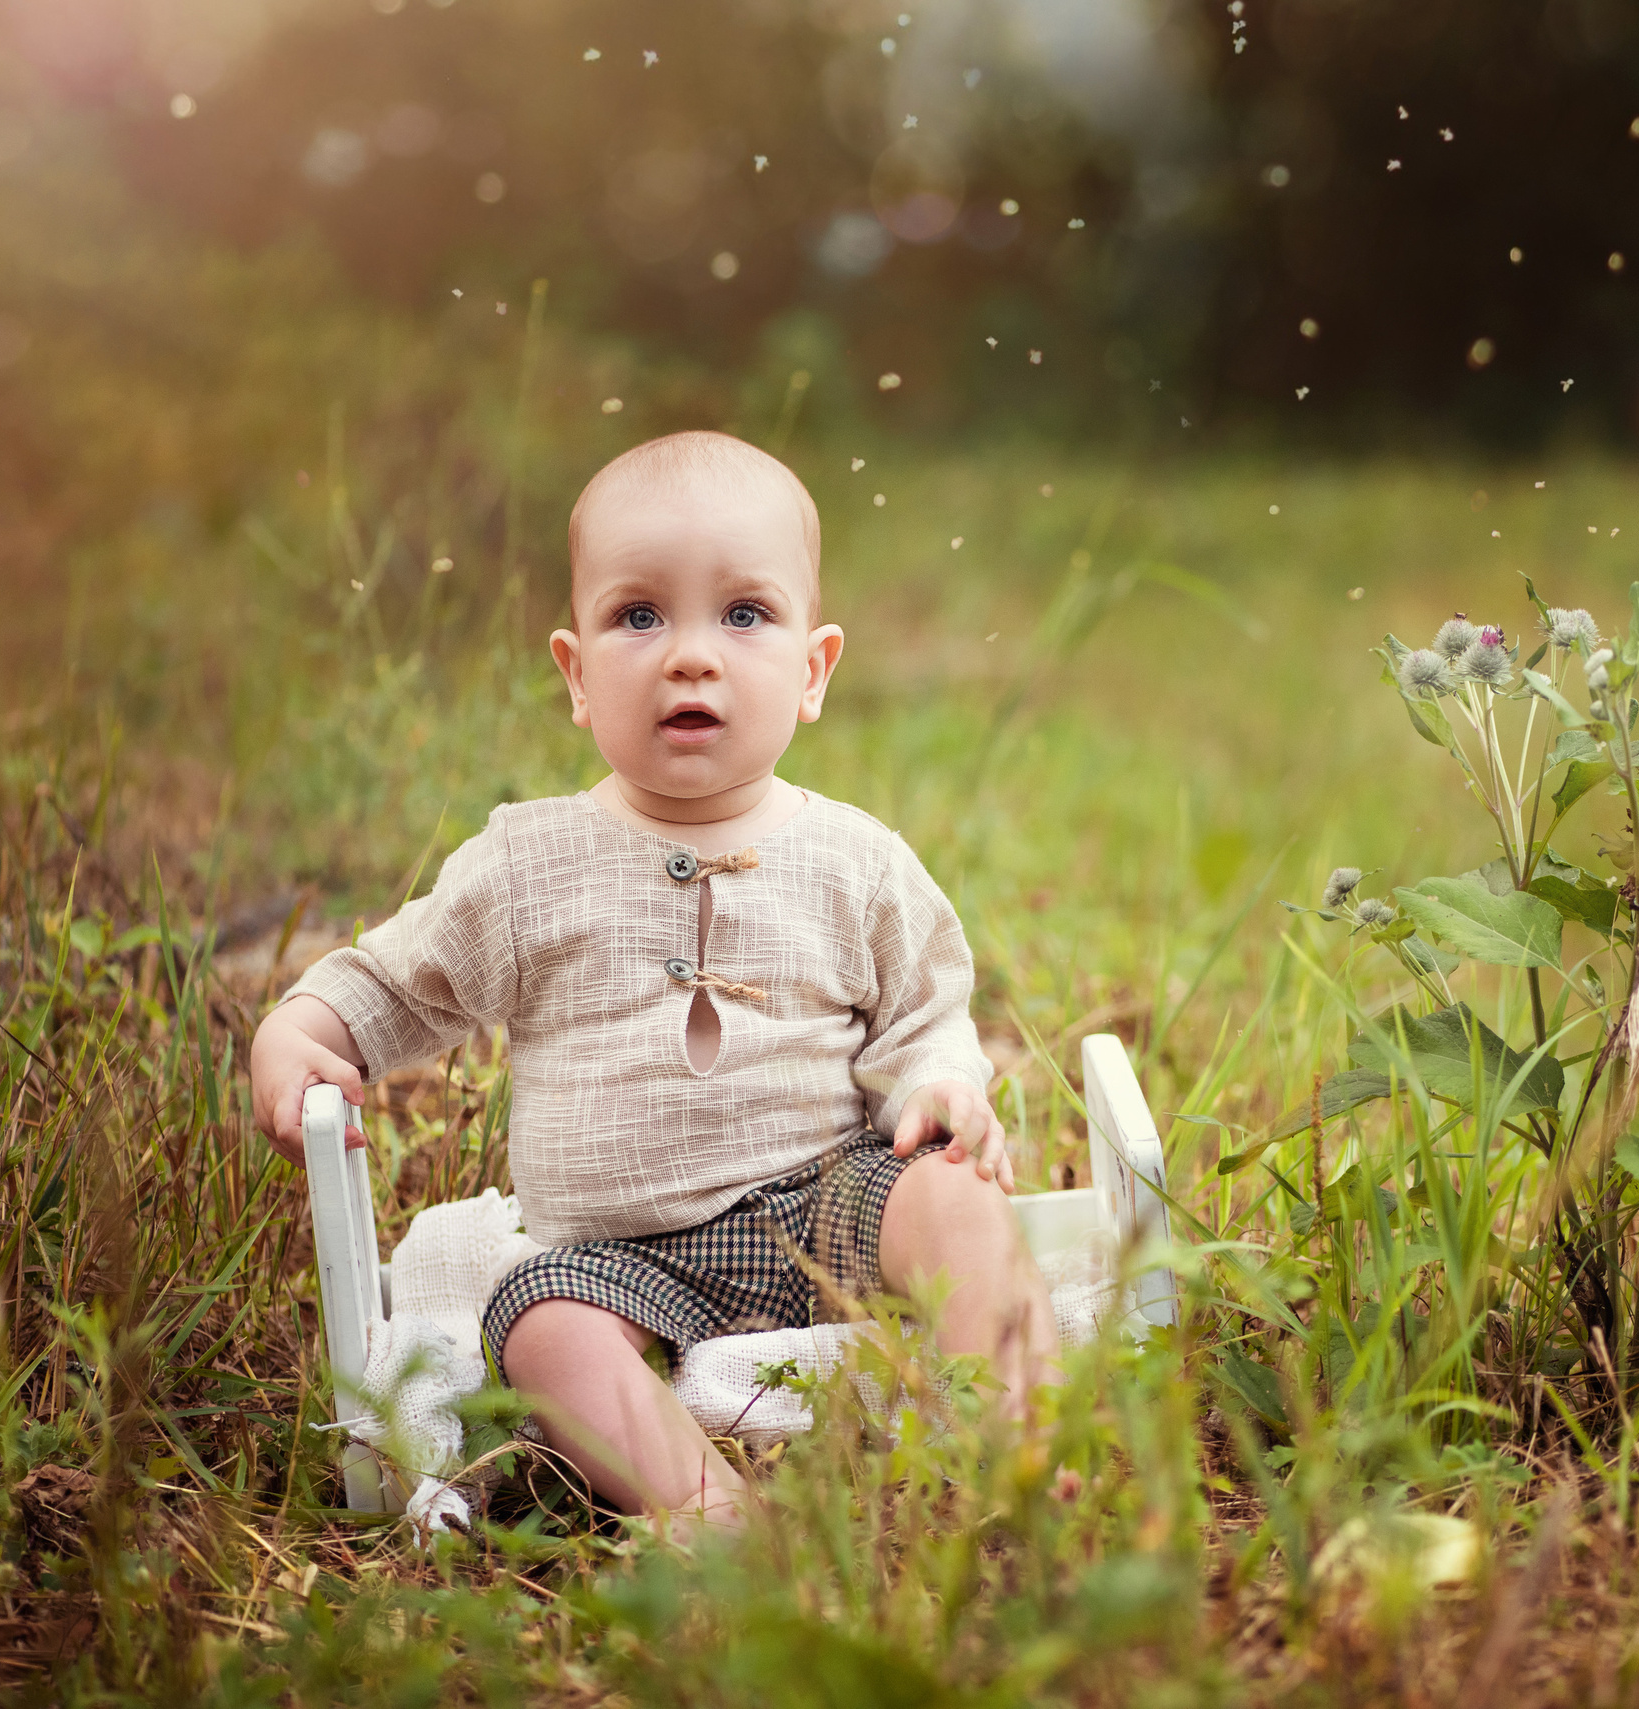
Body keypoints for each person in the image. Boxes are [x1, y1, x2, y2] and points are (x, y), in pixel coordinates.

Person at [248, 430, 1060, 1535]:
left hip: (830, 1196)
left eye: (743, 614)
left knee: (957, 1201)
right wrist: (306, 1023)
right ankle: (705, 1509)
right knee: (537, 1324)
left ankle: (1030, 1438)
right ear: (576, 674)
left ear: (813, 669)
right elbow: (400, 979)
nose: (690, 655)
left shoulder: (857, 858)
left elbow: (925, 1013)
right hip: (620, 1252)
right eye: (638, 615)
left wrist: (941, 1089)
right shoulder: (526, 865)